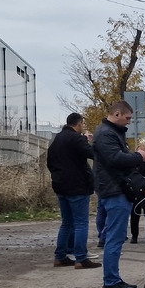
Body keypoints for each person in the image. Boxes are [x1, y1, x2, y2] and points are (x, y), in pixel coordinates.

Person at [92, 100, 145, 288]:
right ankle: (111, 281)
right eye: (127, 118)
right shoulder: (106, 133)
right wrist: (138, 156)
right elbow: (115, 159)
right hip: (115, 190)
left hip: (115, 189)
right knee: (115, 238)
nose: (128, 122)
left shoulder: (108, 132)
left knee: (115, 237)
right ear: (117, 114)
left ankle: (113, 279)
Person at [46, 112, 99, 268]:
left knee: (67, 223)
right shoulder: (77, 138)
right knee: (81, 222)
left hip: (60, 185)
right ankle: (81, 258)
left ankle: (60, 256)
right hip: (78, 186)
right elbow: (92, 154)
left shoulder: (56, 140)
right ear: (79, 123)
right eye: (82, 124)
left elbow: (50, 162)